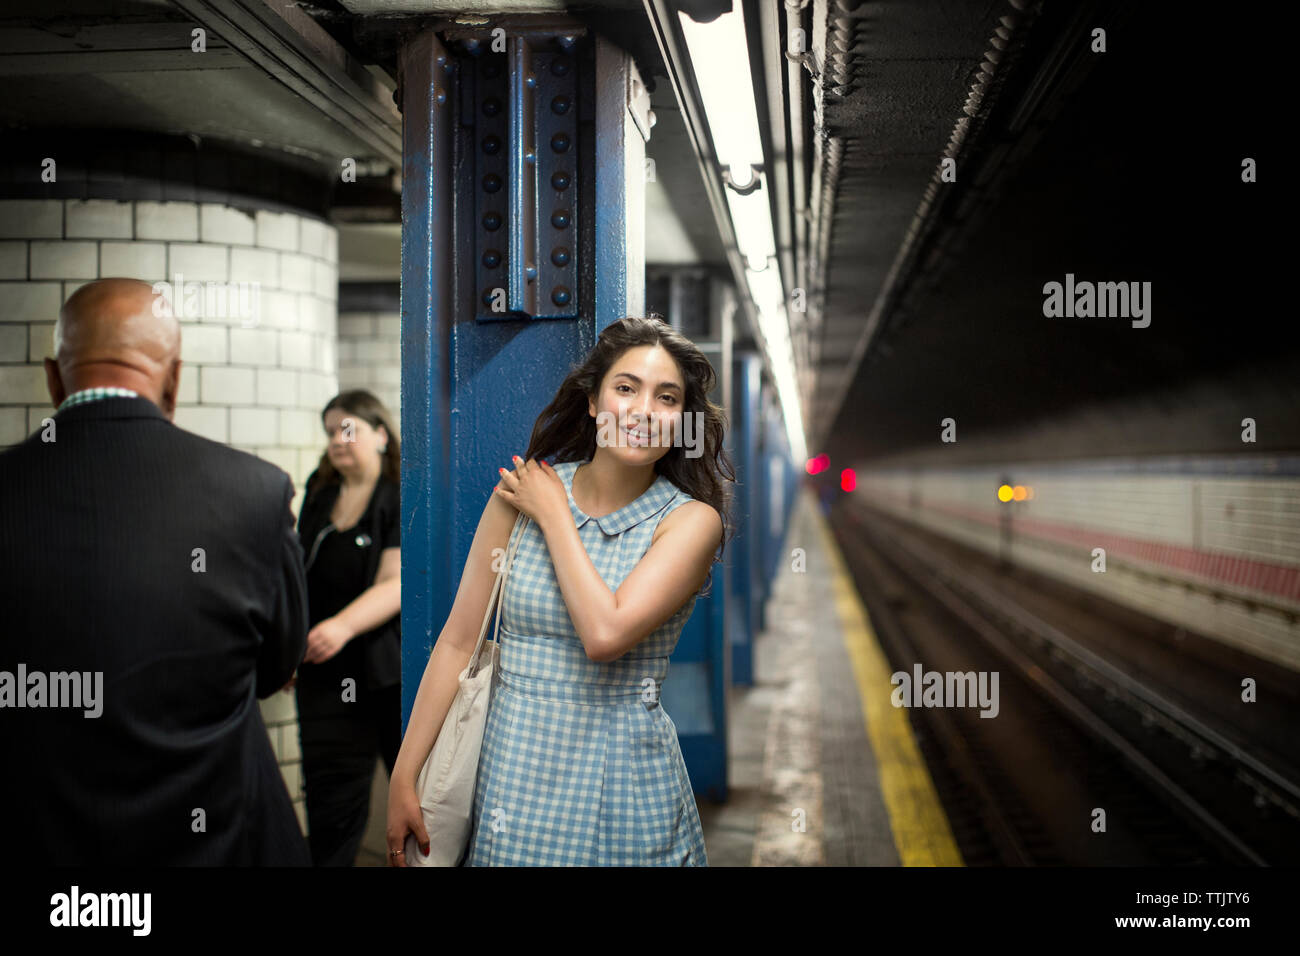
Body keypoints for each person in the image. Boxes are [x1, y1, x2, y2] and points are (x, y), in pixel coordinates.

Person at [387, 315, 735, 866]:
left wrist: (555, 517)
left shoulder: (689, 522)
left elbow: (605, 633)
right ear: (594, 402)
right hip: (512, 774)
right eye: (626, 388)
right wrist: (404, 775)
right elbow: (458, 642)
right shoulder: (519, 495)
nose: (644, 410)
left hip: (624, 783)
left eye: (667, 398)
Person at [0, 277, 310, 865]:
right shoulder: (255, 493)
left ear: (52, 376)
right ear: (173, 379)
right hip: (218, 839)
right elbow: (277, 662)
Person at [294, 390, 402, 866]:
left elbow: (396, 584)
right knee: (331, 809)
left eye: (347, 428)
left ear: (380, 434)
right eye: (330, 432)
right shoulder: (319, 496)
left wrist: (339, 626)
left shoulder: (399, 494)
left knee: (413, 794)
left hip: (386, 675)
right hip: (324, 678)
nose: (337, 440)